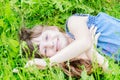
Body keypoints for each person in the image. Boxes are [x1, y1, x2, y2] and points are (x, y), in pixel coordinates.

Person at [19, 12, 120, 75]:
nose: (51, 44)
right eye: (45, 49)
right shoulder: (78, 63)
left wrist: (48, 62)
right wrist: (91, 51)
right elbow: (113, 72)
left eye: (46, 37)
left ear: (53, 28)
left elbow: (84, 42)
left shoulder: (72, 23)